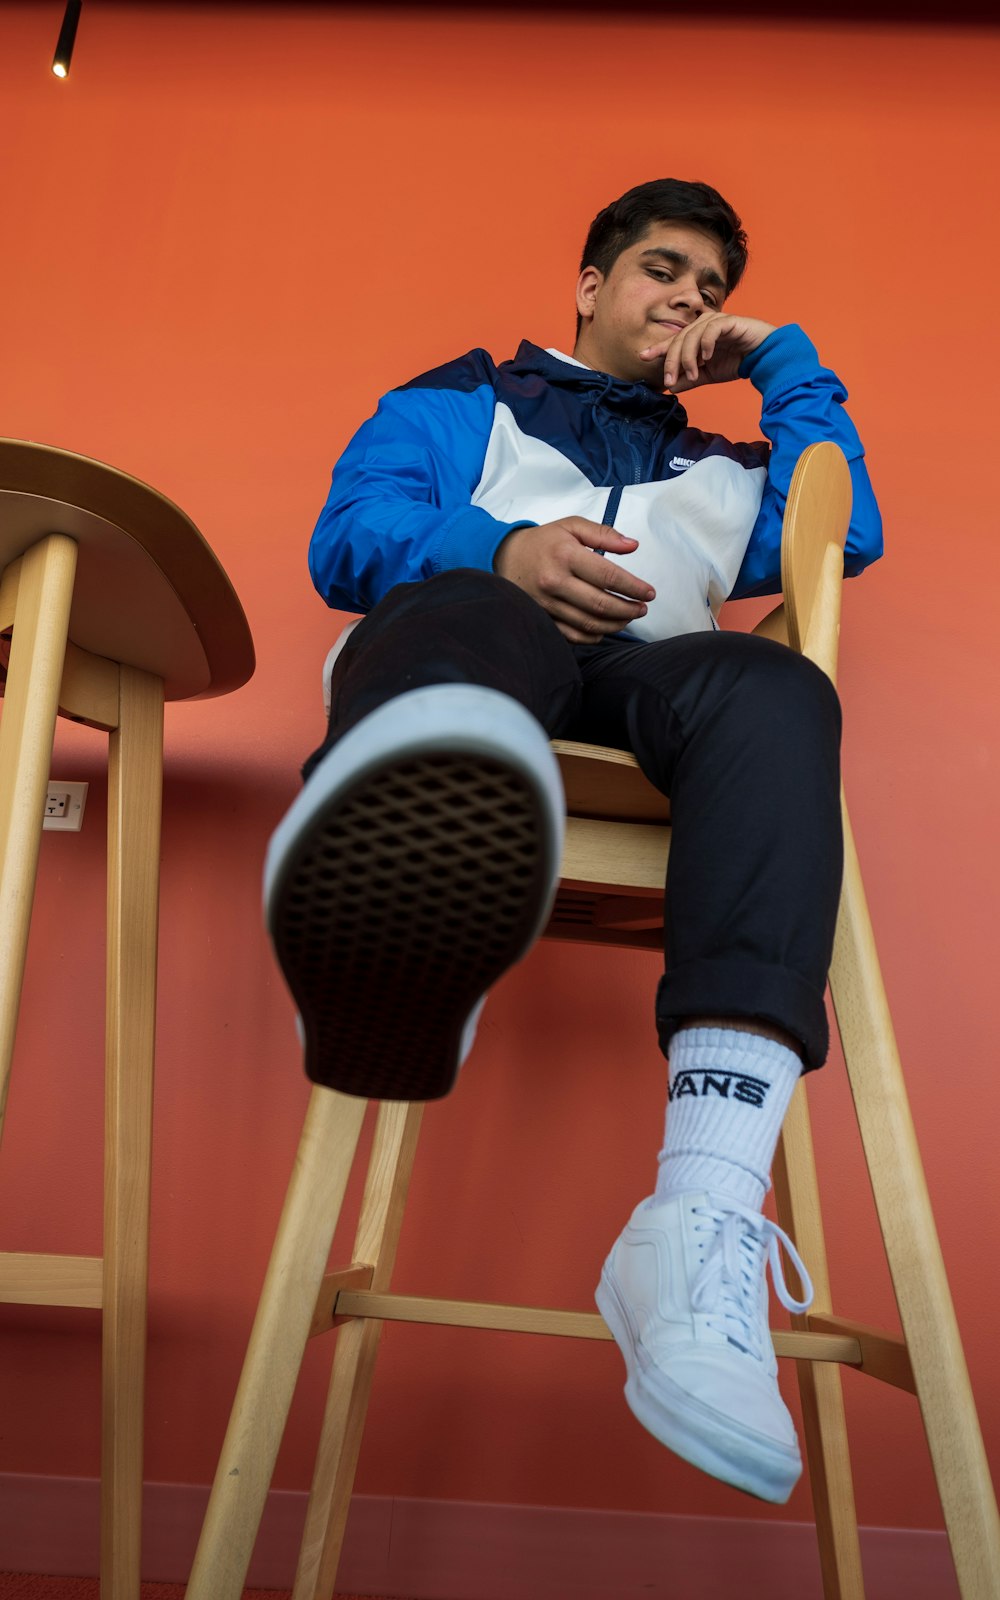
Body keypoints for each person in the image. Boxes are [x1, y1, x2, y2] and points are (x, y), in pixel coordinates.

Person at [264, 179, 882, 1505]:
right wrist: (504, 549)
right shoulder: (456, 398)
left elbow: (850, 534)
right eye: (664, 270)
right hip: (487, 648)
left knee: (779, 690)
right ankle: (408, 889)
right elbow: (348, 538)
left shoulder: (732, 464)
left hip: (656, 701)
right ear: (591, 283)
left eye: (711, 291)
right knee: (463, 617)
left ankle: (702, 1213)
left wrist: (777, 364)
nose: (687, 301)